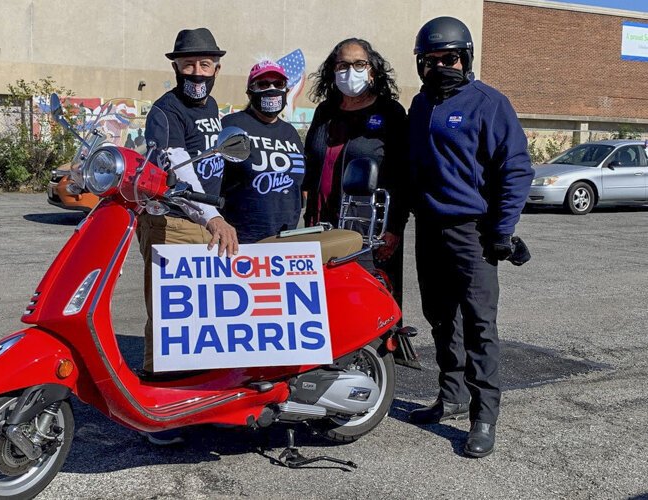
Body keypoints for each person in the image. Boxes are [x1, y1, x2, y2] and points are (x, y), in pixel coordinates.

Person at [405, 17, 534, 458]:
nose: (442, 66)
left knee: (479, 324)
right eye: (432, 60)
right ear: (421, 64)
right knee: (440, 318)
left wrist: (502, 230)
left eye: (451, 58)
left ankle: (484, 414)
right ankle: (453, 395)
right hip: (429, 228)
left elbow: (515, 168)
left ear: (466, 58)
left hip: (472, 233)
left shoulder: (488, 103)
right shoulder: (420, 106)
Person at [137, 28, 238, 445]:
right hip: (173, 221)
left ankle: (194, 399)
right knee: (168, 316)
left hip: (202, 221)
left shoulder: (211, 105)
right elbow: (178, 167)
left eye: (206, 64)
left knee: (199, 316)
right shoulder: (165, 110)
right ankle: (156, 410)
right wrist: (214, 217)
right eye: (189, 64)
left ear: (216, 68)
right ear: (175, 66)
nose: (197, 72)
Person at [302, 37, 408, 306]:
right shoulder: (325, 111)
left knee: (370, 302)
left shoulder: (390, 112)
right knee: (327, 303)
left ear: (372, 70)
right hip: (322, 226)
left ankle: (379, 350)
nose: (350, 71)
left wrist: (394, 228)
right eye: (343, 65)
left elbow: (403, 175)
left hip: (368, 231)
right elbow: (311, 165)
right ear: (332, 71)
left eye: (359, 64)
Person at [220, 60, 305, 243]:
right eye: (263, 84)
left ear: (287, 90)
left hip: (286, 238)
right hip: (239, 239)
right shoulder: (231, 125)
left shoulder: (290, 133)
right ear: (250, 92)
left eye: (278, 84)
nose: (271, 88)